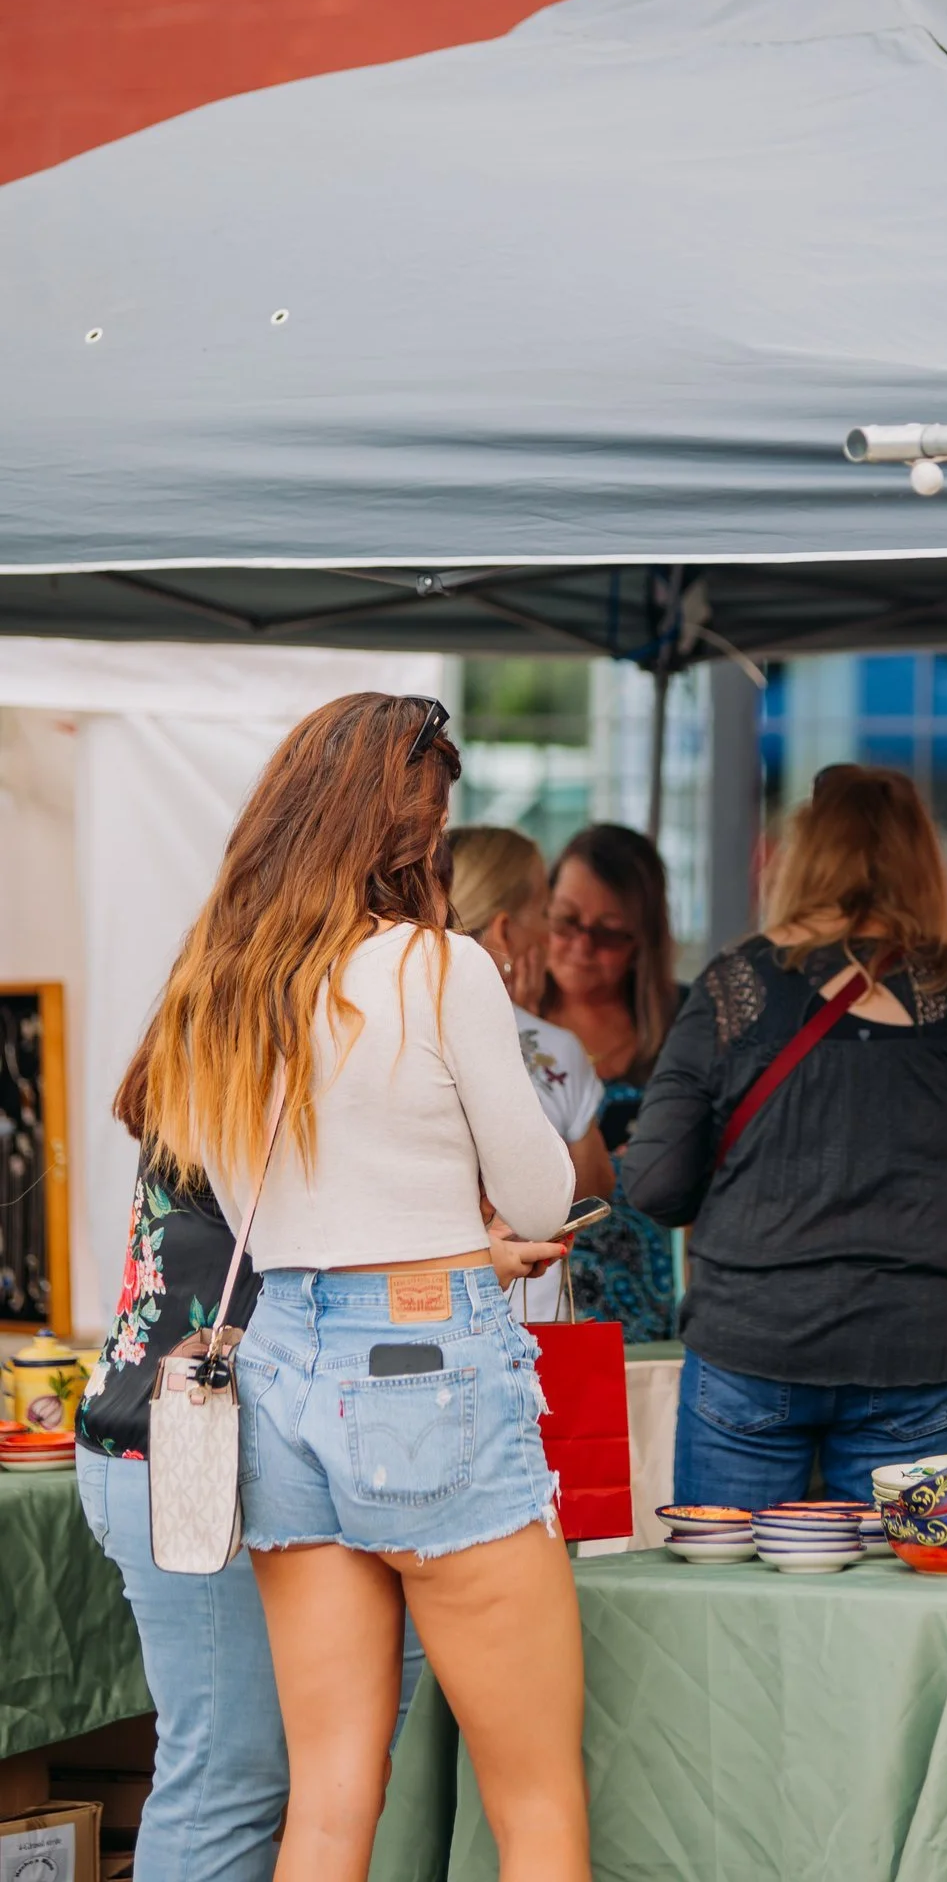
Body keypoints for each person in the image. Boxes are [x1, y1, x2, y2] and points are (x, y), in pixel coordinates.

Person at [123, 692, 591, 1882]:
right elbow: (540, 1198)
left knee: (328, 1802)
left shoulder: (217, 983)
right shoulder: (440, 969)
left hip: (279, 1363)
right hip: (430, 1360)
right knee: (535, 1800)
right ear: (416, 826)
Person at [77, 1003, 569, 1882]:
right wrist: (467, 1261)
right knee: (239, 1784)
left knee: (296, 1789)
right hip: (215, 1439)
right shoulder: (316, 1009)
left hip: (175, 1421)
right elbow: (311, 1258)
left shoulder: (220, 997)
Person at [621, 763, 947, 1510]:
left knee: (727, 1607)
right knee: (892, 1621)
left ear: (799, 855)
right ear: (923, 861)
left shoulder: (731, 986)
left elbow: (653, 1184)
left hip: (751, 1342)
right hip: (914, 1353)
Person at [444, 823, 613, 1316]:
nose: (548, 930)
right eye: (544, 912)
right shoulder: (554, 1051)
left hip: (416, 1313)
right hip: (527, 1320)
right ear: (503, 931)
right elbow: (592, 1188)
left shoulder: (391, 1027)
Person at [540, 823, 681, 1339]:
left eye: (608, 933)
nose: (581, 945)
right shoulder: (507, 1020)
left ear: (642, 941)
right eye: (564, 922)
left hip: (652, 1308)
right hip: (538, 1300)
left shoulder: (683, 1025)